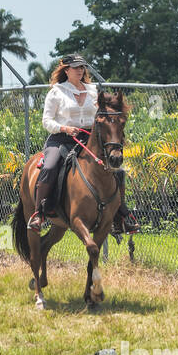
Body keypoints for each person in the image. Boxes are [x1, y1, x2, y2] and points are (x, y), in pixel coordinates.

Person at [29, 53, 139, 234]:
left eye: (82, 67)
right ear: (66, 70)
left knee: (116, 170)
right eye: (76, 67)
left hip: (88, 139)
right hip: (61, 139)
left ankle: (121, 216)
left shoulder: (92, 91)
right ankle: (39, 214)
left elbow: (106, 111)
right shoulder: (56, 92)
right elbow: (46, 121)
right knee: (49, 167)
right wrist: (64, 128)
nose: (80, 70)